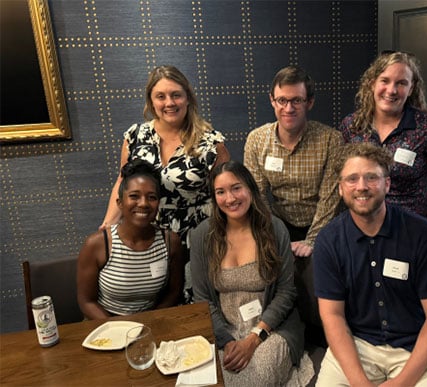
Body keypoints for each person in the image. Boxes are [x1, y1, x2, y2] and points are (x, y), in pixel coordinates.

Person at [313, 143, 427, 386]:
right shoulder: (329, 241)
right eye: (352, 179)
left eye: (372, 178)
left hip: (417, 346)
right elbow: (333, 316)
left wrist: (401, 383)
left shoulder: (425, 236)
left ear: (387, 184)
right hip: (358, 345)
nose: (361, 187)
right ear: (340, 188)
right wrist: (360, 382)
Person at [99, 65, 230, 302]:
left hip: (200, 235)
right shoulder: (135, 137)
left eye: (176, 95)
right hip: (151, 233)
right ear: (151, 101)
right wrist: (108, 224)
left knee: (198, 301)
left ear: (188, 98)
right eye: (161, 96)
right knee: (156, 299)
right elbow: (123, 182)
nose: (169, 102)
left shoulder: (211, 141)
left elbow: (228, 189)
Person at [189, 160, 314, 387]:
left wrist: (254, 338)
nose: (230, 198)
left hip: (272, 327)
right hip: (223, 330)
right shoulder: (202, 236)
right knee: (216, 380)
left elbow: (286, 292)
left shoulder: (274, 228)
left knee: (257, 378)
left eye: (236, 188)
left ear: (250, 189)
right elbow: (203, 299)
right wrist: (226, 342)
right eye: (221, 192)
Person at [244, 65, 343, 343]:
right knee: (268, 281)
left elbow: (330, 198)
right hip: (278, 223)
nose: (289, 108)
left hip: (321, 224)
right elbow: (258, 196)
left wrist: (312, 240)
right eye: (282, 100)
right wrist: (274, 235)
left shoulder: (330, 140)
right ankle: (283, 339)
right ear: (272, 100)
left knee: (315, 288)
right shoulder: (257, 140)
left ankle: (323, 343)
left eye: (297, 100)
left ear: (309, 102)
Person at [339, 51, 427, 229]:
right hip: (364, 226)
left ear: (411, 89)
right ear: (372, 83)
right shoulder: (351, 126)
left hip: (413, 229)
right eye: (385, 81)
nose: (392, 90)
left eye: (401, 83)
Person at [77, 160, 184, 319]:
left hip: (151, 323)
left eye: (152, 197)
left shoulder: (170, 242)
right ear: (120, 203)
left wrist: (150, 322)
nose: (143, 204)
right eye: (134, 196)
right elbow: (87, 302)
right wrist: (122, 329)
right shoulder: (98, 244)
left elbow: (174, 292)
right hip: (105, 323)